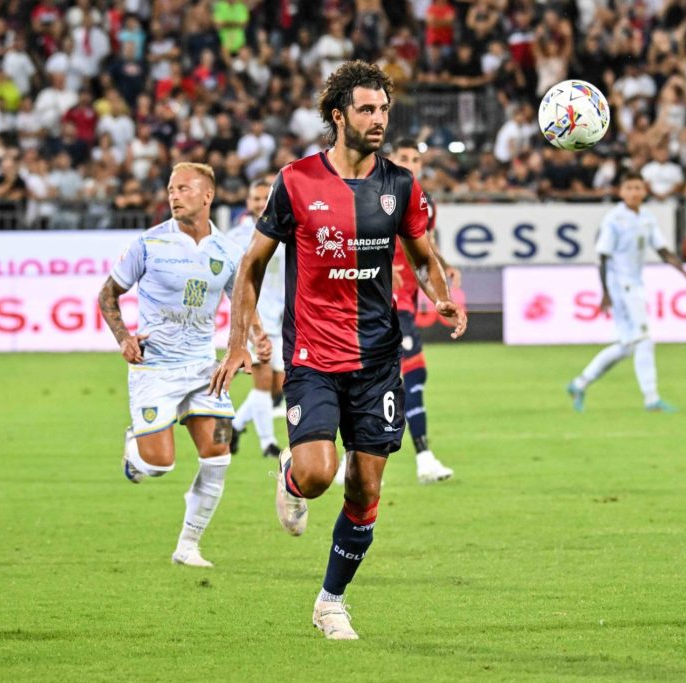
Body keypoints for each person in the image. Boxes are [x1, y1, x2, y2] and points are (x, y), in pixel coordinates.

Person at [210, 61, 466, 640]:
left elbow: (422, 256)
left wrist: (441, 298)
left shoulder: (400, 185)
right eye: (367, 110)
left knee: (366, 488)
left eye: (384, 110)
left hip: (377, 361)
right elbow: (251, 265)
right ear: (338, 115)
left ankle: (330, 601)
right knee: (318, 474)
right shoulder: (296, 180)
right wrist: (236, 344)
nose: (379, 120)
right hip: (314, 359)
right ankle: (291, 475)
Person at [98, 162, 270, 569]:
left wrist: (256, 336)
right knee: (159, 465)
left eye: (184, 188)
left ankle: (188, 545)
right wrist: (123, 337)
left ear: (207, 195)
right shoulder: (148, 243)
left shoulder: (227, 251)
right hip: (155, 368)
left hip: (203, 369)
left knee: (219, 452)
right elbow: (107, 295)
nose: (174, 195)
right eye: (171, 189)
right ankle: (135, 448)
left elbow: (241, 301)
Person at [334, 138, 458, 485]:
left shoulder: (424, 201)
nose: (410, 163)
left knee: (401, 377)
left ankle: (412, 459)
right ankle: (409, 458)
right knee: (385, 377)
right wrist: (380, 262)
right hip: (373, 301)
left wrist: (444, 264)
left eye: (415, 159)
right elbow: (350, 237)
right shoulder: (370, 191)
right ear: (390, 158)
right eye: (404, 157)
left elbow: (422, 241)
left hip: (403, 303)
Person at [566, 172, 686, 413]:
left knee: (627, 345)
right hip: (621, 285)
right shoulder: (613, 219)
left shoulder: (647, 218)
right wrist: (605, 292)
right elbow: (602, 256)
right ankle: (651, 399)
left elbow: (663, 250)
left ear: (644, 190)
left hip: (634, 283)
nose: (634, 192)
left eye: (638, 187)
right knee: (644, 339)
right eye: (629, 188)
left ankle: (579, 384)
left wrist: (682, 270)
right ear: (621, 191)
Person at [227, 177, 286, 458]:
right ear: (248, 202)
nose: (261, 203)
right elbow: (233, 281)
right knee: (262, 383)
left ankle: (235, 425)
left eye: (266, 198)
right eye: (256, 198)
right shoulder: (237, 237)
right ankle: (268, 443)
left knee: (279, 385)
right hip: (256, 318)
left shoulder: (287, 229)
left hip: (283, 317)